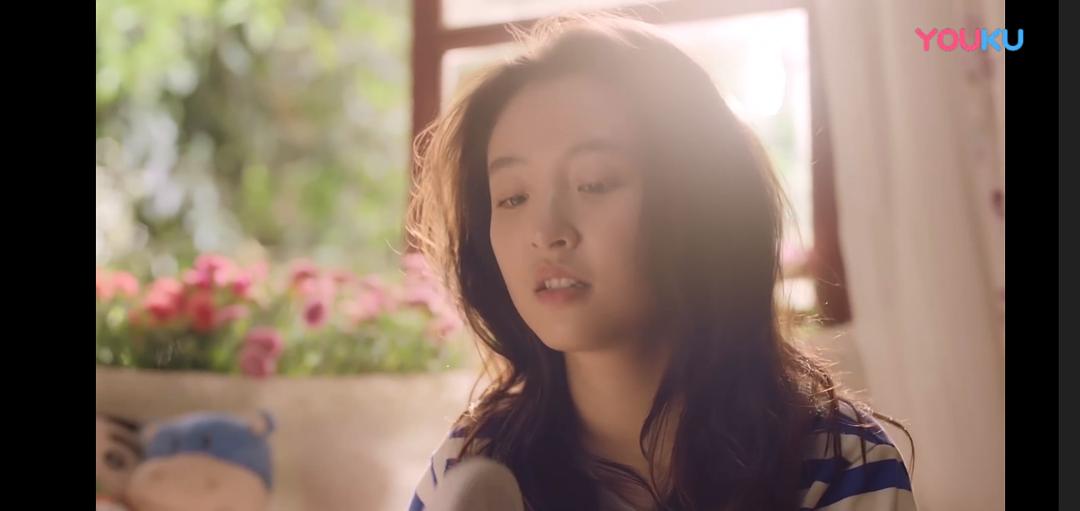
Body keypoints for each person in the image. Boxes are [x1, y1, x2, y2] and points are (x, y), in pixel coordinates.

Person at [405, 13, 916, 511]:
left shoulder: (842, 464)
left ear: (698, 201)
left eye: (594, 183)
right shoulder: (470, 468)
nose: (546, 232)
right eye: (513, 197)